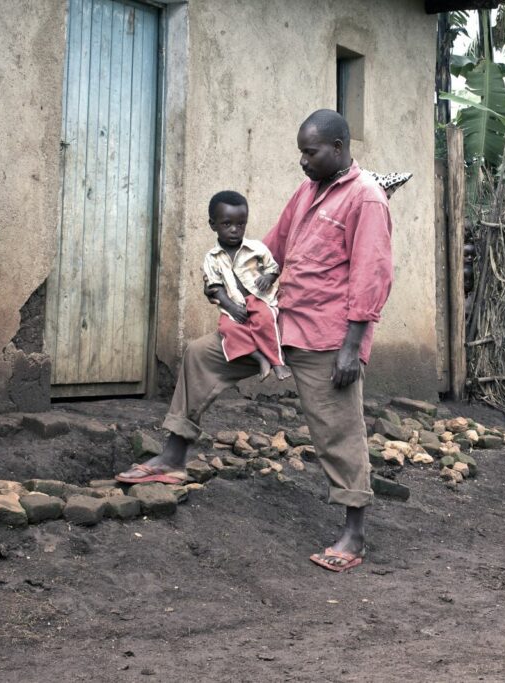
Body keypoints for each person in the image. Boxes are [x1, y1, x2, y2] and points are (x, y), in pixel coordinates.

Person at [116, 110, 394, 574]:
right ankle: (173, 455)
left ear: (339, 148)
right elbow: (271, 250)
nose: (302, 161)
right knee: (202, 354)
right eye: (301, 152)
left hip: (326, 338)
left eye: (311, 152)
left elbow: (372, 276)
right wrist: (232, 282)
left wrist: (352, 348)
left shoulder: (366, 199)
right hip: (279, 322)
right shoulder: (308, 191)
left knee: (337, 429)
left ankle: (354, 532)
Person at [202, 190, 291, 382]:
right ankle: (259, 358)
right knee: (228, 329)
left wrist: (268, 278)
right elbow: (215, 287)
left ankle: (277, 362)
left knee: (265, 320)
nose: (234, 229)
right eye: (227, 224)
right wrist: (231, 308)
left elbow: (273, 268)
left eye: (240, 224)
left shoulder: (256, 248)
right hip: (234, 304)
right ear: (213, 225)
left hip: (258, 299)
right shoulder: (211, 258)